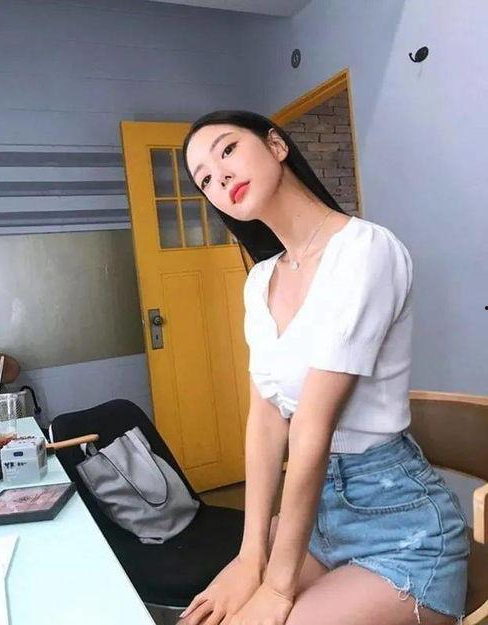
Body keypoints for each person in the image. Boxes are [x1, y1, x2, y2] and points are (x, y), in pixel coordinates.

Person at [179, 110, 469, 625]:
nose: (219, 177)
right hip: (314, 521)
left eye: (227, 150)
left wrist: (276, 584)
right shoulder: (260, 281)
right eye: (204, 179)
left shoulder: (365, 249)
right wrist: (250, 558)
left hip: (398, 529)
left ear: (276, 146)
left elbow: (311, 425)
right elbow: (266, 421)